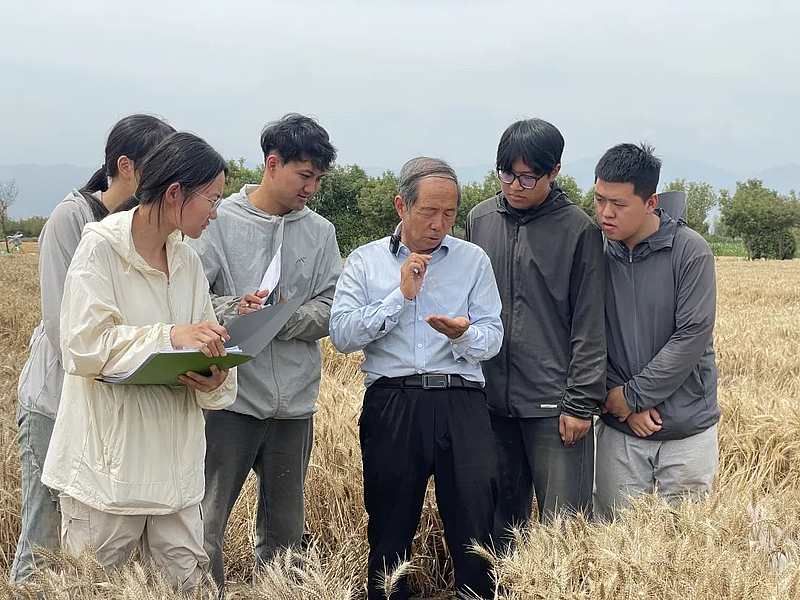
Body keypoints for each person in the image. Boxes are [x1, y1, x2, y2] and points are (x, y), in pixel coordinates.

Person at [40, 132, 238, 591]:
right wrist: (169, 336)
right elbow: (83, 345)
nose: (215, 213)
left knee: (186, 588)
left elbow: (206, 340)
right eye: (212, 199)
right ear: (175, 193)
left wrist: (215, 378)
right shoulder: (101, 248)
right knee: (94, 588)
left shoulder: (187, 261)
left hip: (176, 472)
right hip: (107, 472)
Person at [330, 157, 503, 600]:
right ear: (401, 206)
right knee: (389, 528)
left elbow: (493, 337)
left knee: (476, 528)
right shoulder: (365, 261)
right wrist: (399, 296)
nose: (439, 224)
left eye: (449, 213)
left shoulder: (473, 260)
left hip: (461, 401)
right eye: (428, 212)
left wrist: (463, 334)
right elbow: (342, 335)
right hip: (393, 402)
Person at [12, 114, 174, 585]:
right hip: (56, 402)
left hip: (109, 407)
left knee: (89, 543)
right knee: (45, 535)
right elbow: (65, 329)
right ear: (126, 167)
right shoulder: (73, 218)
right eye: (159, 165)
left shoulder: (148, 230)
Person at [186, 113, 341, 588]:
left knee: (286, 534)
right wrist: (237, 308)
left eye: (318, 178)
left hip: (294, 404)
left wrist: (280, 318)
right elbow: (190, 298)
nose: (311, 188)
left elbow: (332, 305)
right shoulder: (218, 221)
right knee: (205, 524)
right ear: (272, 164)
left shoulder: (320, 232)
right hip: (229, 398)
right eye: (304, 175)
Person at [465, 118, 606, 538]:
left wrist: (579, 404)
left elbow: (590, 325)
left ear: (554, 171)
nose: (514, 186)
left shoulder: (579, 231)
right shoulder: (479, 220)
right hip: (489, 404)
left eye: (527, 177)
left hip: (554, 408)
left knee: (563, 530)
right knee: (495, 528)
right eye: (506, 174)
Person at [591, 143, 720, 519]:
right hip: (620, 432)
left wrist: (633, 396)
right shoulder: (593, 252)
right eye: (599, 199)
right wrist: (621, 405)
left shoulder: (690, 251)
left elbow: (691, 335)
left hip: (686, 431)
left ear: (651, 202)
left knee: (688, 540)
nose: (606, 212)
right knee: (615, 539)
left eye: (619, 204)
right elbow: (585, 333)